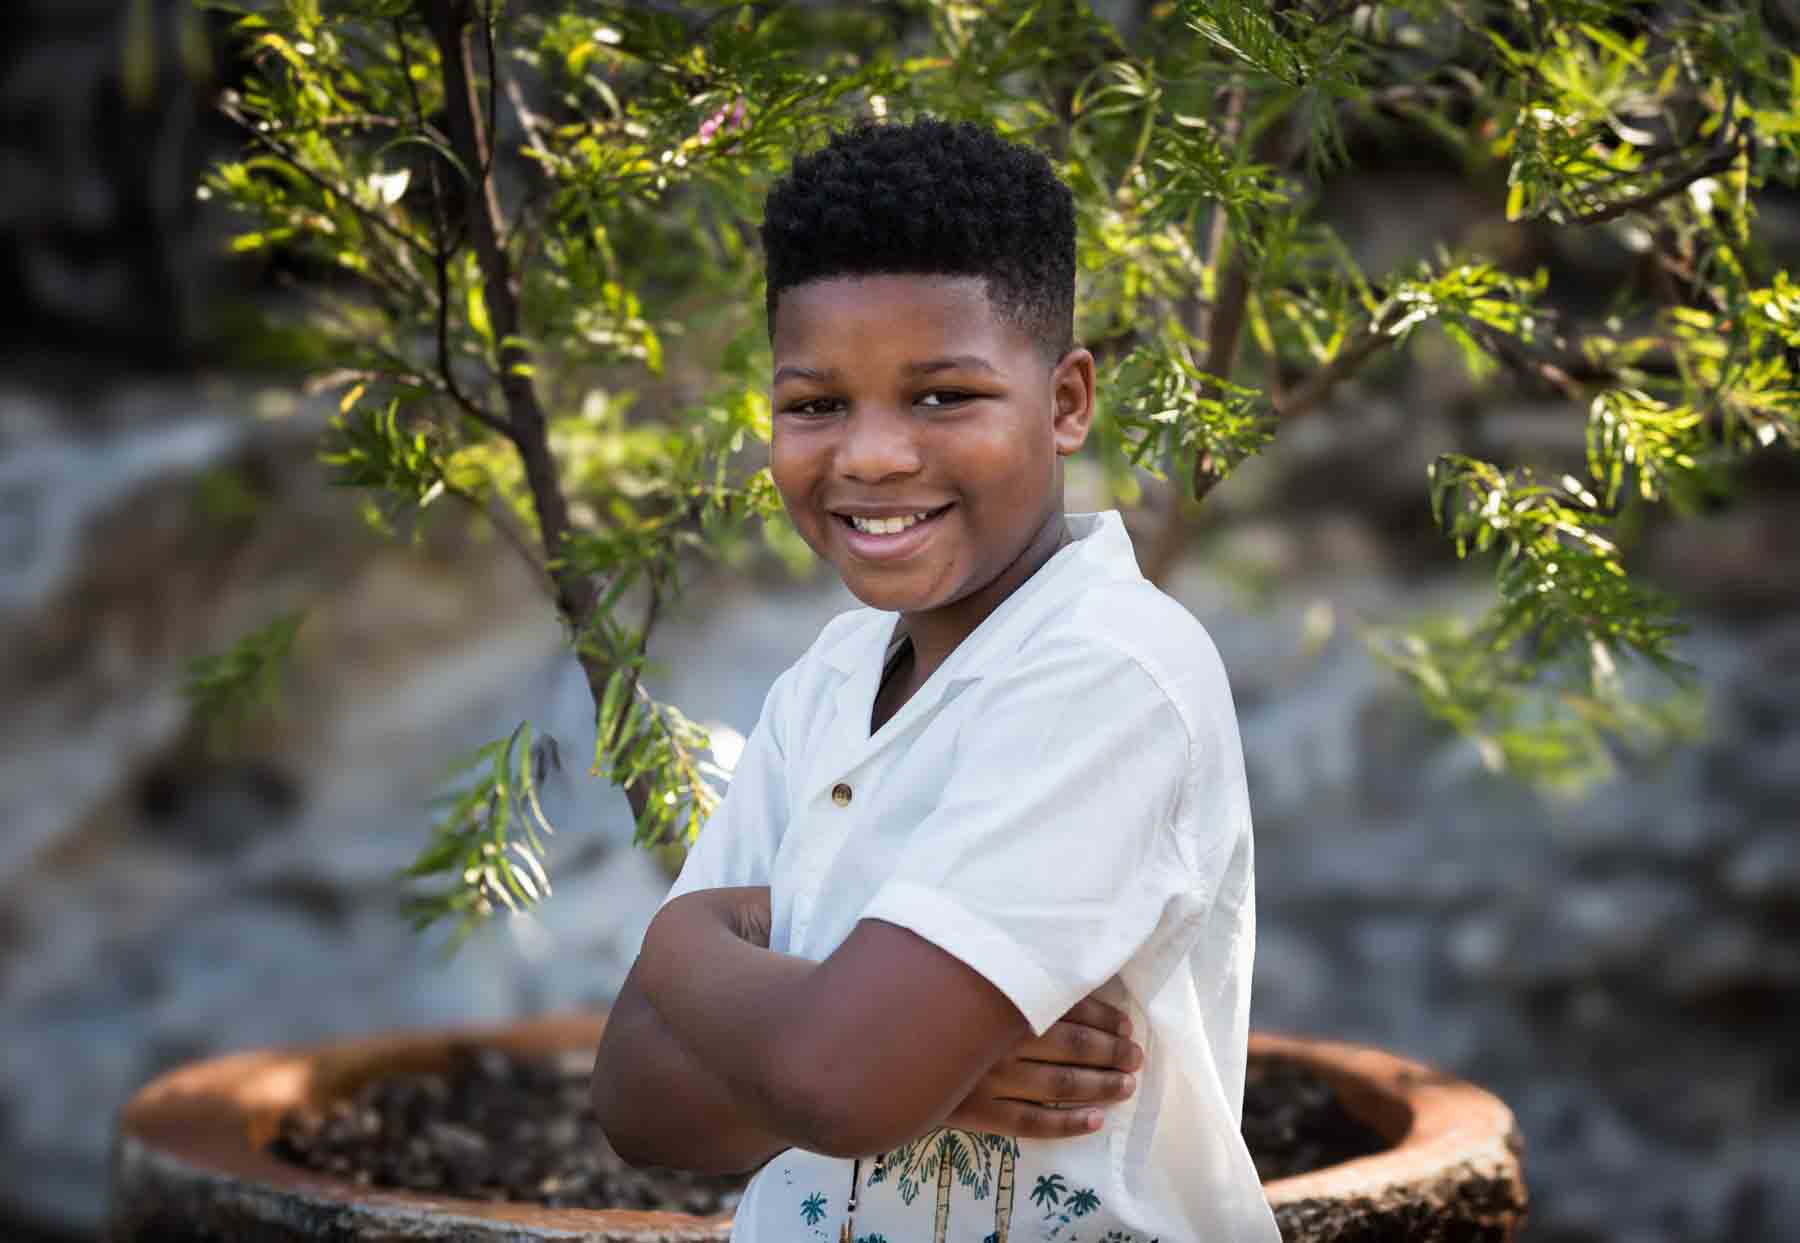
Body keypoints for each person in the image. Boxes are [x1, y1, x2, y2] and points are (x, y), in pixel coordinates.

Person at [592, 117, 1278, 1243]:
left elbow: (841, 1084)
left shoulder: (1109, 675)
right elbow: (633, 1097)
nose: (869, 455)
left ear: (1065, 403)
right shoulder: (827, 682)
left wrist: (682, 952)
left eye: (942, 396)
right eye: (816, 404)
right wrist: (928, 1073)